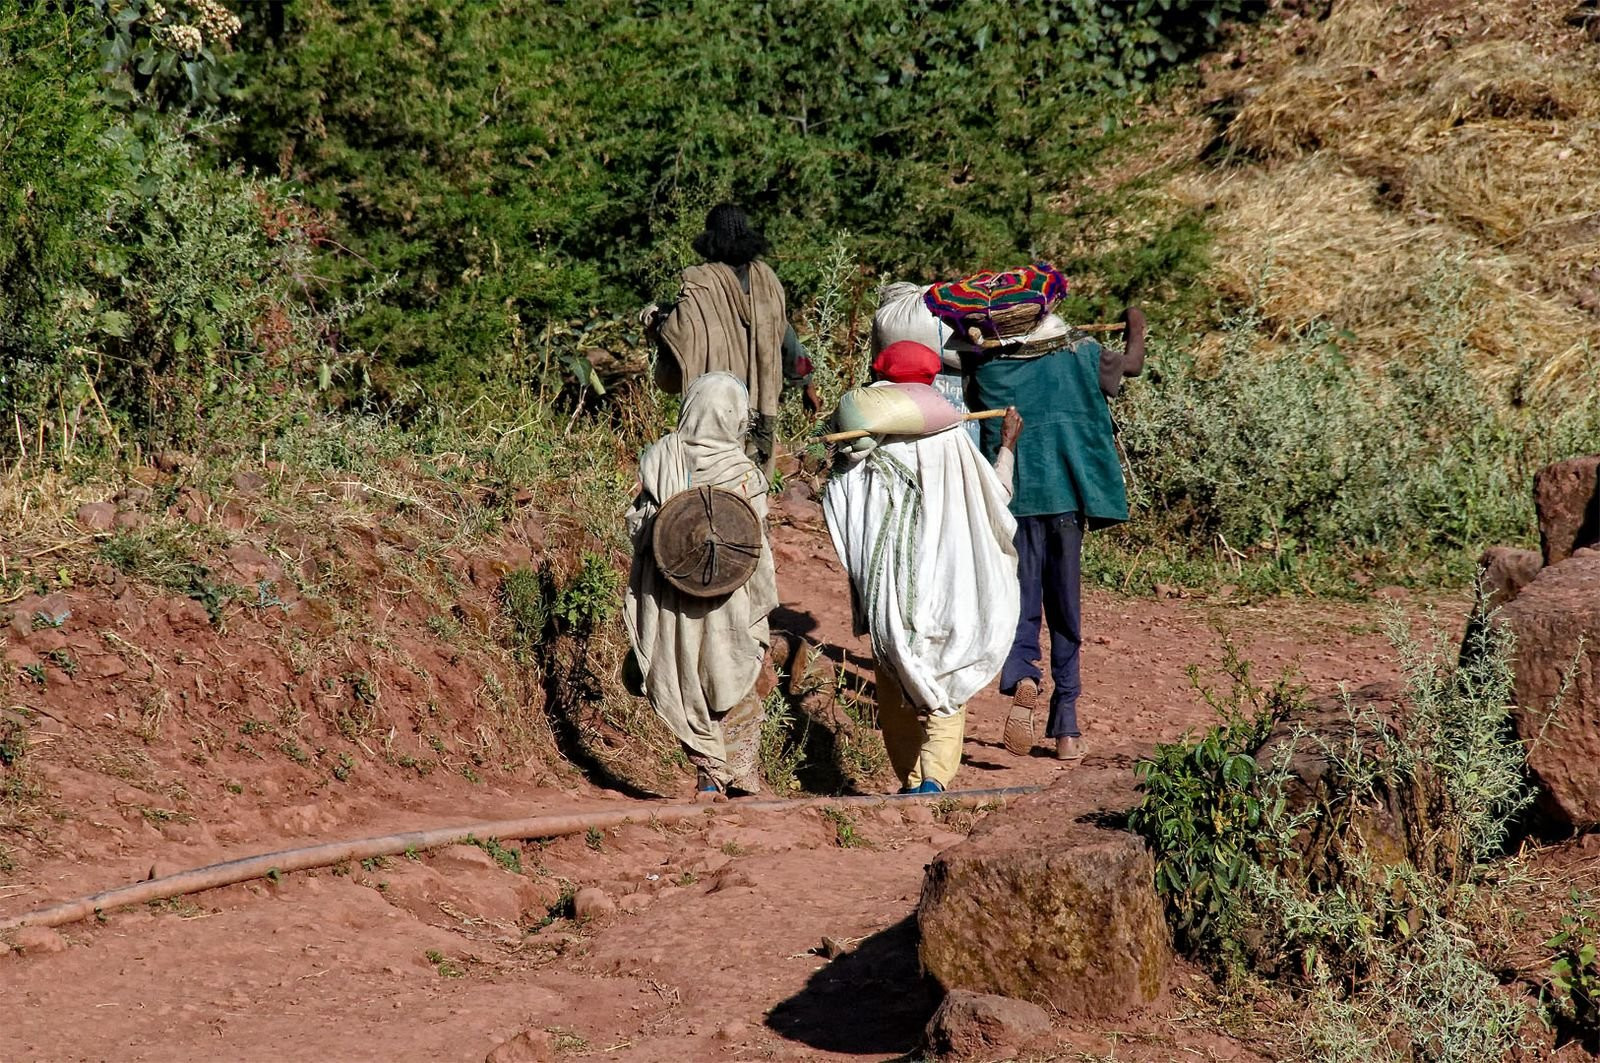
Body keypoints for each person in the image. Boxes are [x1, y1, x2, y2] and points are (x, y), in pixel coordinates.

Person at [823, 340, 1023, 794]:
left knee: (894, 673)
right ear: (931, 380)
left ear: (881, 379)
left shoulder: (865, 444)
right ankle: (933, 780)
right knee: (947, 675)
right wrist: (1008, 447)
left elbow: (843, 505)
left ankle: (910, 780)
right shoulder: (953, 437)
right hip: (947, 584)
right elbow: (995, 499)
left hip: (889, 588)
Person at [965, 306, 1147, 762]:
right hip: (1066, 500)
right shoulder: (1083, 352)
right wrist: (1135, 321)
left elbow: (961, 386)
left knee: (1020, 604)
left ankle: (1023, 674)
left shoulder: (987, 365)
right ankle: (1066, 724)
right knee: (1065, 613)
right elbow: (1133, 365)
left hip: (1012, 501)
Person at [623, 372, 778, 799]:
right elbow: (755, 542)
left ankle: (710, 776)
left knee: (683, 673)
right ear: (736, 417)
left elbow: (640, 525)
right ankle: (740, 774)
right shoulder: (743, 471)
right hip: (729, 594)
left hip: (671, 591)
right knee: (731, 670)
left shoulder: (659, 457)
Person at [642, 204, 821, 477]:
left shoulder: (700, 282)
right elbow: (786, 335)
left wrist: (657, 320)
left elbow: (680, 332)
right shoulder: (766, 278)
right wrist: (807, 383)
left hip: (717, 401)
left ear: (711, 238)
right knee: (754, 477)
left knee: (714, 475)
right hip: (760, 400)